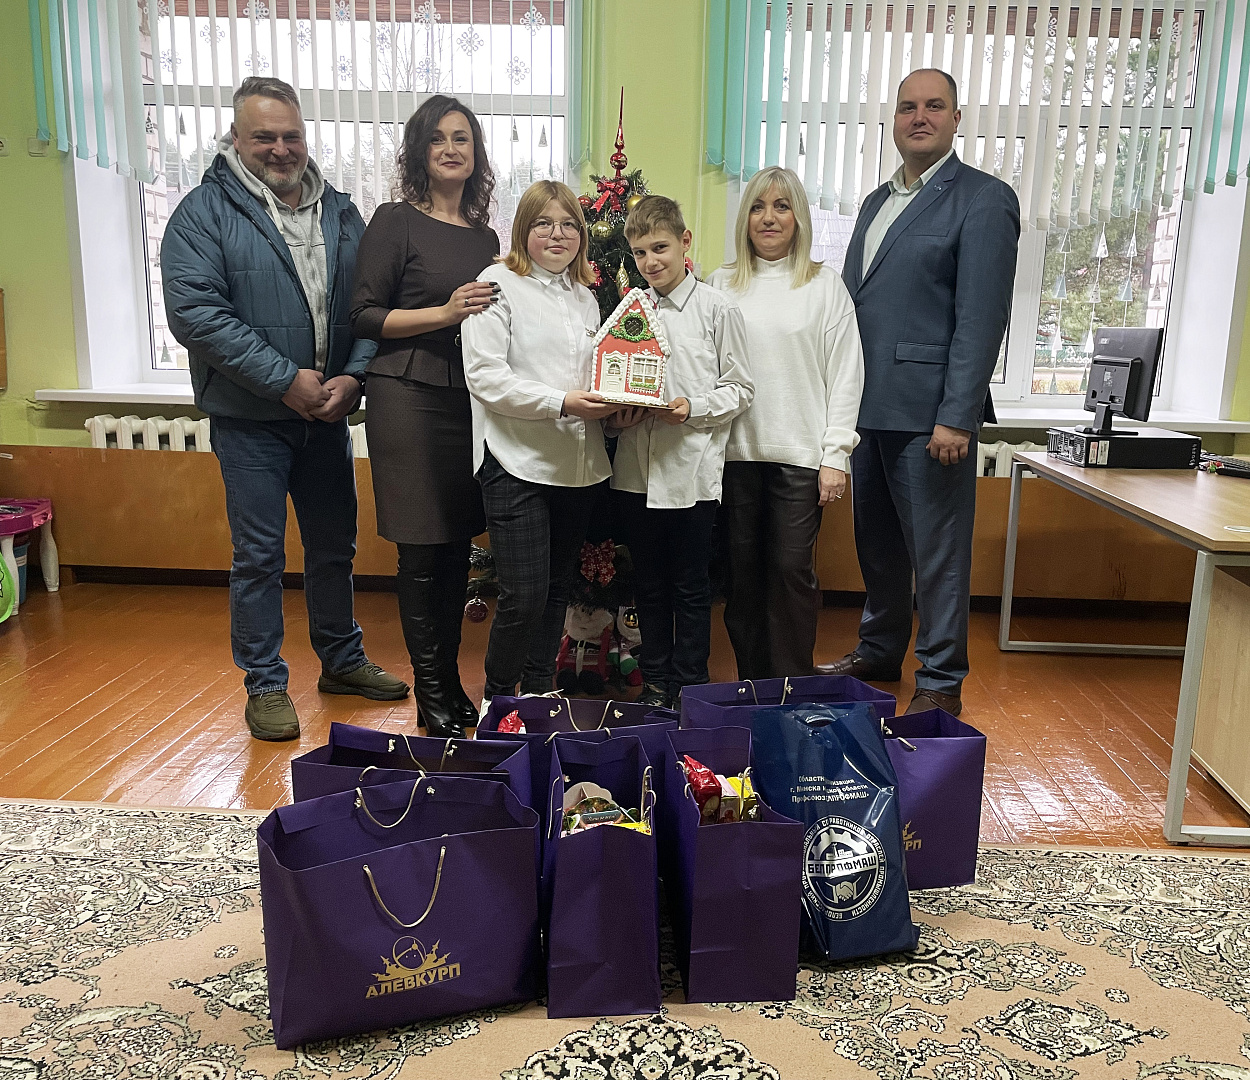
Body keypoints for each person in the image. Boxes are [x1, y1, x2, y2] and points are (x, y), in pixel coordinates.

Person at [162, 77, 409, 742]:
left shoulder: (342, 213)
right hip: (251, 421)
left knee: (334, 548)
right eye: (264, 137)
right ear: (235, 139)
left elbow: (372, 305)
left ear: (305, 136)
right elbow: (195, 314)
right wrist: (284, 382)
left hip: (327, 417)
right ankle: (266, 684)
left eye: (290, 135)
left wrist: (353, 378)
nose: (280, 149)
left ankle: (342, 660)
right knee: (259, 558)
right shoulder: (203, 214)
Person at [818, 68, 1020, 716]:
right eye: (908, 107)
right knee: (877, 548)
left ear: (956, 119)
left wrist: (958, 415)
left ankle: (940, 678)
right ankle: (880, 649)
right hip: (867, 408)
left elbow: (981, 318)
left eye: (934, 106)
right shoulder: (877, 201)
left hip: (932, 418)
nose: (920, 117)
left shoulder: (984, 199)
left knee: (937, 556)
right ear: (894, 120)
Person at [351, 96, 499, 738]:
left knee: (457, 546)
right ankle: (432, 691)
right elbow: (362, 315)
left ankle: (453, 686)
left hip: (470, 399)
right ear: (419, 151)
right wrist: (445, 312)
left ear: (476, 153)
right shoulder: (395, 221)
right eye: (437, 138)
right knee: (421, 548)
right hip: (406, 394)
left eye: (462, 138)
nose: (450, 148)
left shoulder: (486, 237)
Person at [461, 181, 619, 706]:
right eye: (543, 223)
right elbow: (486, 378)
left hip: (576, 466)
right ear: (522, 230)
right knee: (524, 595)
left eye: (569, 224)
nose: (558, 234)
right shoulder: (495, 284)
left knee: (555, 593)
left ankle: (537, 695)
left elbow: (592, 377)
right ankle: (499, 701)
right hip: (515, 460)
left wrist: (615, 408)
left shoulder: (585, 297)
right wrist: (563, 402)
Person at [709, 166, 864, 680]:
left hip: (800, 459)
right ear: (745, 218)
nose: (769, 217)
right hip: (733, 458)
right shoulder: (721, 284)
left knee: (791, 573)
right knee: (742, 580)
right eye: (757, 206)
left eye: (781, 206)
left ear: (798, 217)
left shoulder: (824, 286)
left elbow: (846, 376)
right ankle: (754, 687)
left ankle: (792, 689)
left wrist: (835, 455)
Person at [613, 196, 753, 710]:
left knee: (691, 588)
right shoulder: (631, 310)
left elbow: (741, 388)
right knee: (648, 585)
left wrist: (692, 407)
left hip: (692, 473)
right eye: (639, 253)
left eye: (660, 248)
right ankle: (655, 682)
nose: (650, 262)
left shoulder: (718, 308)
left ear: (684, 242)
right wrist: (615, 413)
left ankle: (690, 684)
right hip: (635, 472)